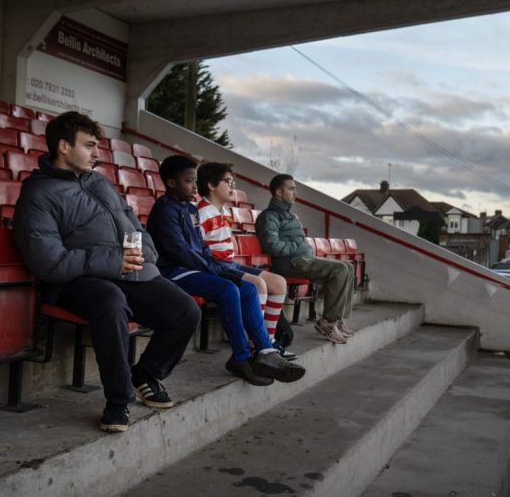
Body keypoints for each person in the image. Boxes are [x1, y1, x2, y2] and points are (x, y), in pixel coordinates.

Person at [13, 112, 200, 433]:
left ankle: (147, 374)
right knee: (111, 301)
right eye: (88, 146)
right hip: (76, 281)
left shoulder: (100, 182)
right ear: (63, 146)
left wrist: (147, 252)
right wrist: (111, 261)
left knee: (185, 310)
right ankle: (118, 400)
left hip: (127, 273)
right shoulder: (37, 195)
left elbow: (130, 223)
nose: (97, 154)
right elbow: (47, 262)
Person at [146, 155, 305, 386]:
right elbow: (180, 252)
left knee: (249, 288)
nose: (195, 186)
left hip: (196, 267)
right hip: (174, 271)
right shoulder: (165, 210)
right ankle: (240, 358)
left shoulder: (188, 209)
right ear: (172, 183)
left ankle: (265, 351)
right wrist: (217, 270)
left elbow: (200, 247)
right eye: (190, 181)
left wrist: (216, 266)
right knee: (229, 289)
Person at [195, 162, 295, 360]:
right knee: (258, 284)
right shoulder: (201, 213)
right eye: (228, 181)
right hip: (216, 268)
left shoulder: (225, 212)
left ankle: (270, 341)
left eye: (233, 182)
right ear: (211, 185)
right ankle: (258, 343)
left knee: (279, 283)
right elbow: (197, 251)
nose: (233, 187)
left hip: (230, 263)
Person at [256, 174, 355, 344]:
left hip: (302, 259)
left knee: (348, 265)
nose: (295, 193)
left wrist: (300, 247)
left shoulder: (292, 216)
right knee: (339, 269)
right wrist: (298, 246)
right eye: (291, 188)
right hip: (289, 263)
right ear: (279, 192)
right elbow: (271, 246)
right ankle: (328, 323)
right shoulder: (269, 216)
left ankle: (337, 320)